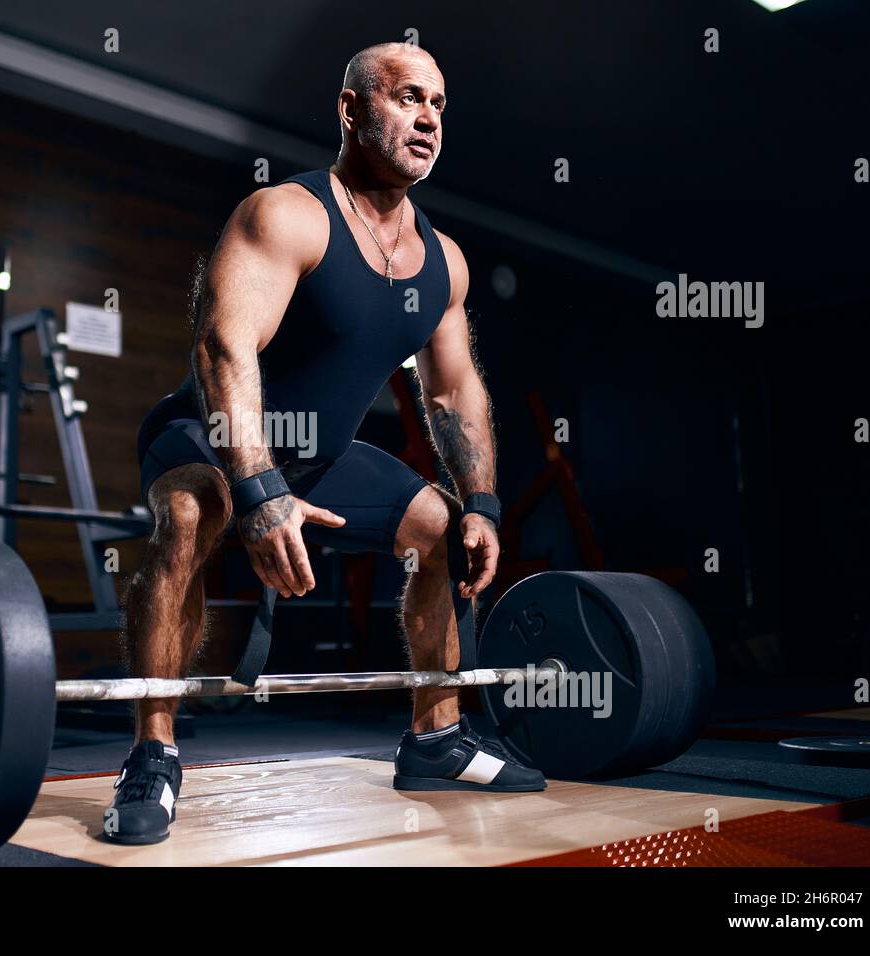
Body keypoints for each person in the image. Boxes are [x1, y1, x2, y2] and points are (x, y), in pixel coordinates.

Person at [106, 41, 545, 846]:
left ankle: (437, 737)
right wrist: (262, 492)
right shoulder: (285, 215)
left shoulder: (442, 262)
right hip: (207, 437)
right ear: (351, 109)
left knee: (444, 529)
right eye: (407, 97)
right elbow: (221, 350)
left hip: (326, 456)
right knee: (189, 517)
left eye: (439, 105)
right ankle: (152, 753)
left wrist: (482, 500)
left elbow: (452, 390)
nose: (427, 119)